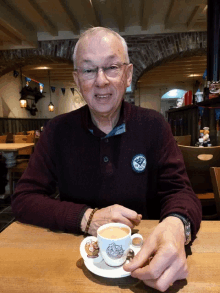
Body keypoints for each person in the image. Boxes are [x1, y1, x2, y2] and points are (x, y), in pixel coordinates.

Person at [11, 27, 202, 292]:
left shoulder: (154, 126)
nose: (100, 81)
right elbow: (23, 199)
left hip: (144, 263)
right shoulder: (57, 131)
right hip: (73, 266)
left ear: (128, 74)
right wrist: (86, 218)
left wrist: (177, 226)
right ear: (77, 80)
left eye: (112, 67)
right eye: (89, 70)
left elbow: (180, 192)